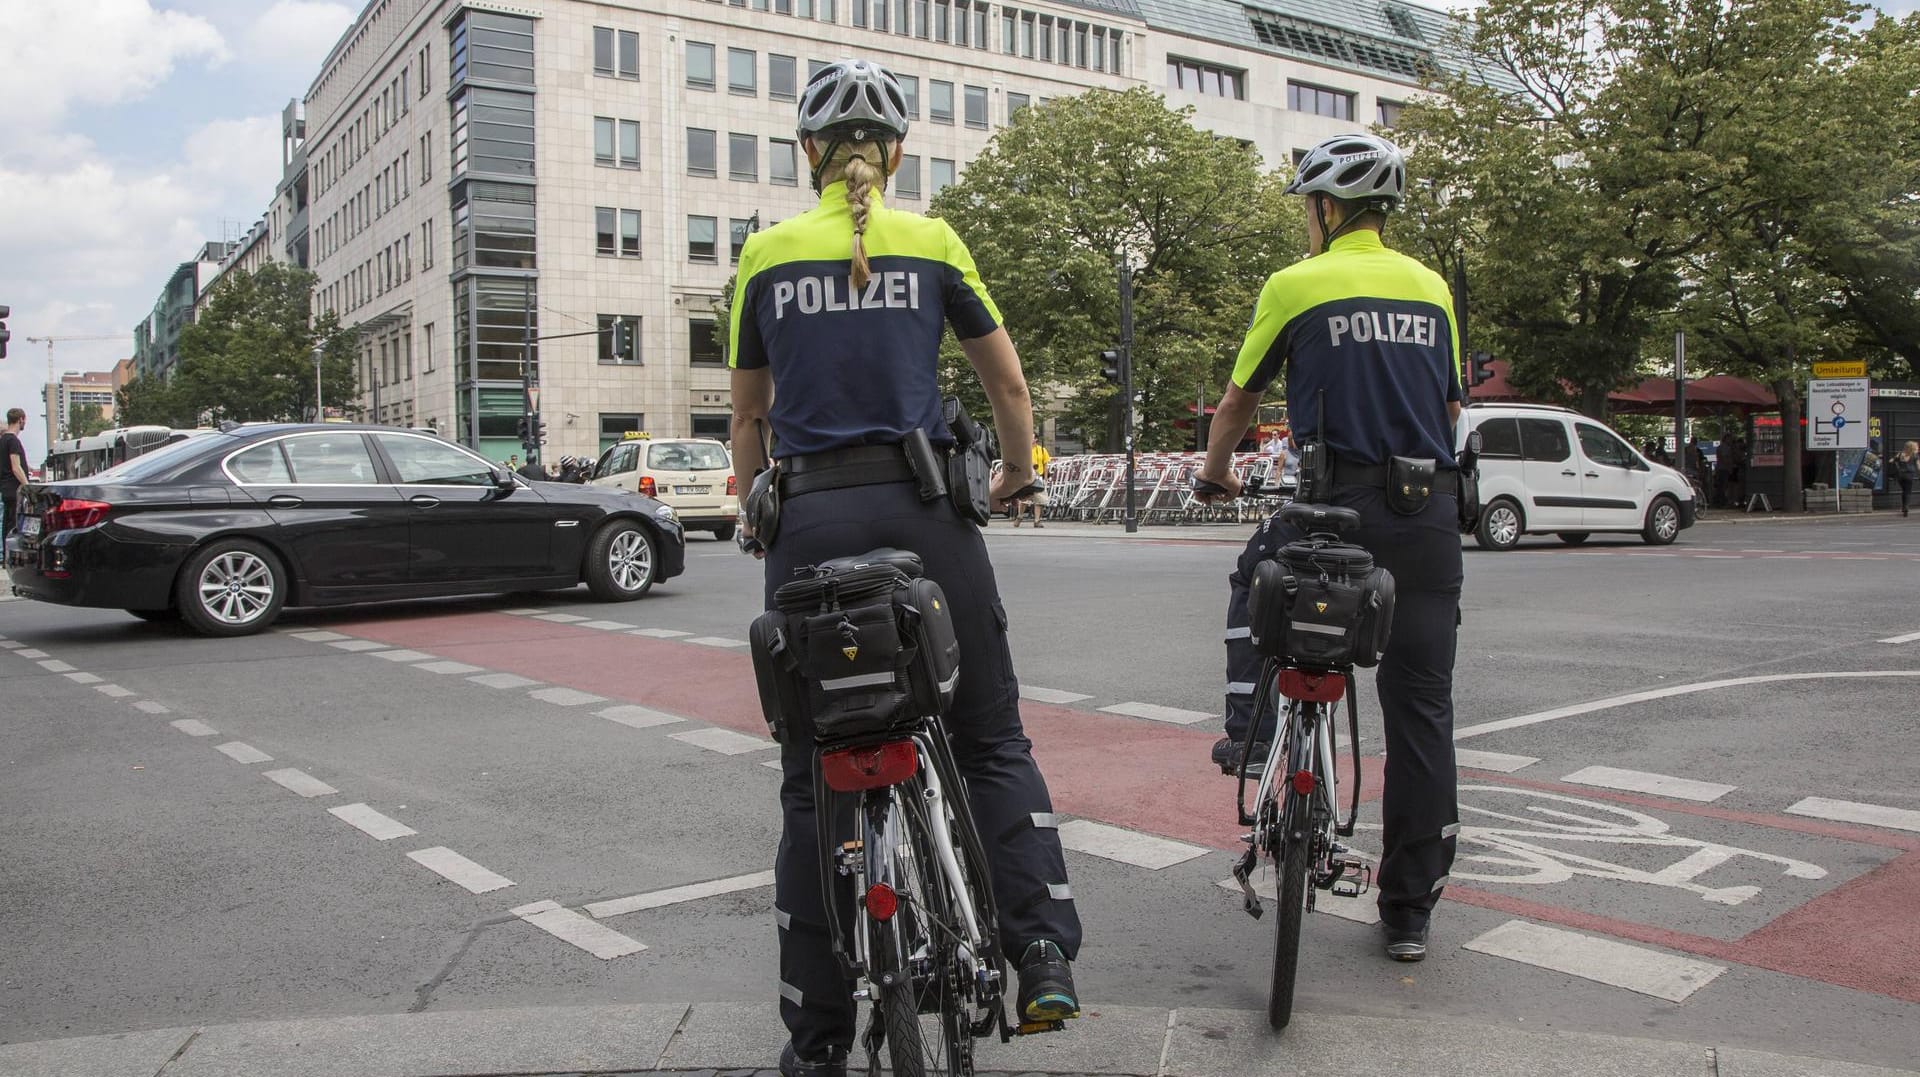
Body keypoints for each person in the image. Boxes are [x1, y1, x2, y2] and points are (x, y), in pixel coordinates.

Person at [727, 59, 1080, 1077]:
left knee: (808, 783)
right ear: (894, 153)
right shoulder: (932, 243)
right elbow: (1007, 386)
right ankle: (1041, 953)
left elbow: (748, 417)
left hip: (807, 522)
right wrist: (1014, 475)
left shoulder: (763, 256)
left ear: (809, 156)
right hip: (924, 513)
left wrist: (760, 514)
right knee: (990, 737)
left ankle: (817, 1037)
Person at [1193, 133, 1464, 964]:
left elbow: (1239, 400)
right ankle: (1410, 909)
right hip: (1426, 517)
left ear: (1325, 207)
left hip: (1333, 511)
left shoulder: (1296, 284)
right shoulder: (1432, 289)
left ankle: (1252, 727)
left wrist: (1214, 471)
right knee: (1421, 711)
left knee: (1257, 582)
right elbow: (1449, 413)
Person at [2, 408, 28, 537]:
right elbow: (16, 467)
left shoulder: (2, 440)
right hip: (14, 490)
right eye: (24, 420)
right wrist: (27, 486)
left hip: (5, 490)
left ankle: (5, 554)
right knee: (13, 526)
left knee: (7, 525)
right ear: (20, 420)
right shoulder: (13, 441)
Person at [1014, 435, 1050, 527]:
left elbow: (1046, 465)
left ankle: (1037, 521)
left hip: (1038, 477)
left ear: (1036, 439)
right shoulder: (1024, 450)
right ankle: (1020, 516)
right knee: (1024, 499)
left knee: (1039, 499)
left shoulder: (1042, 450)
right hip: (1027, 476)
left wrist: (1045, 478)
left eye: (1032, 437)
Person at [1895, 441, 1918, 518]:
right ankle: (1906, 507)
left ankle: (1903, 507)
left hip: (1900, 476)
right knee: (1907, 492)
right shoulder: (1915, 456)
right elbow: (1919, 467)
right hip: (1909, 476)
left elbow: (1892, 460)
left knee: (1904, 491)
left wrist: (1897, 465)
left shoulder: (1900, 454)